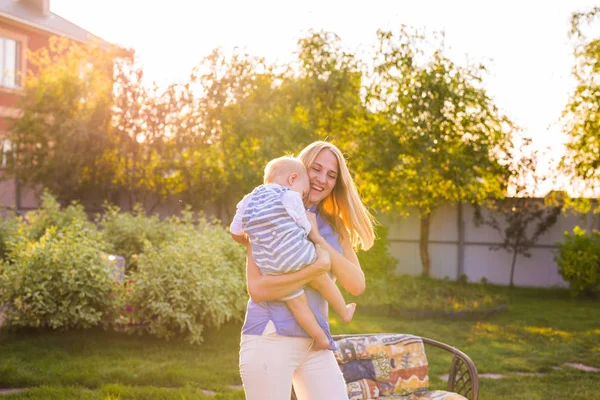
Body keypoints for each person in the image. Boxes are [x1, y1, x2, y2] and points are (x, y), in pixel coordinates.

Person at [238, 141, 376, 400]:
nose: (322, 179)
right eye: (316, 168)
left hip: (316, 343)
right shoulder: (269, 215)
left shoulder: (335, 227)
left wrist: (318, 239)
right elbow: (257, 290)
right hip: (271, 337)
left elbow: (356, 285)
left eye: (331, 175)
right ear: (299, 170)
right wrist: (316, 269)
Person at [230, 156, 356, 351]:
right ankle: (345, 312)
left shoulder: (249, 198)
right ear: (292, 179)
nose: (302, 195)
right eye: (303, 191)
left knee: (297, 302)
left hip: (270, 265)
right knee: (321, 278)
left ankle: (319, 338)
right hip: (296, 254)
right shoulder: (288, 195)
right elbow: (302, 221)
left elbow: (236, 231)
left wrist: (255, 240)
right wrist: (310, 234)